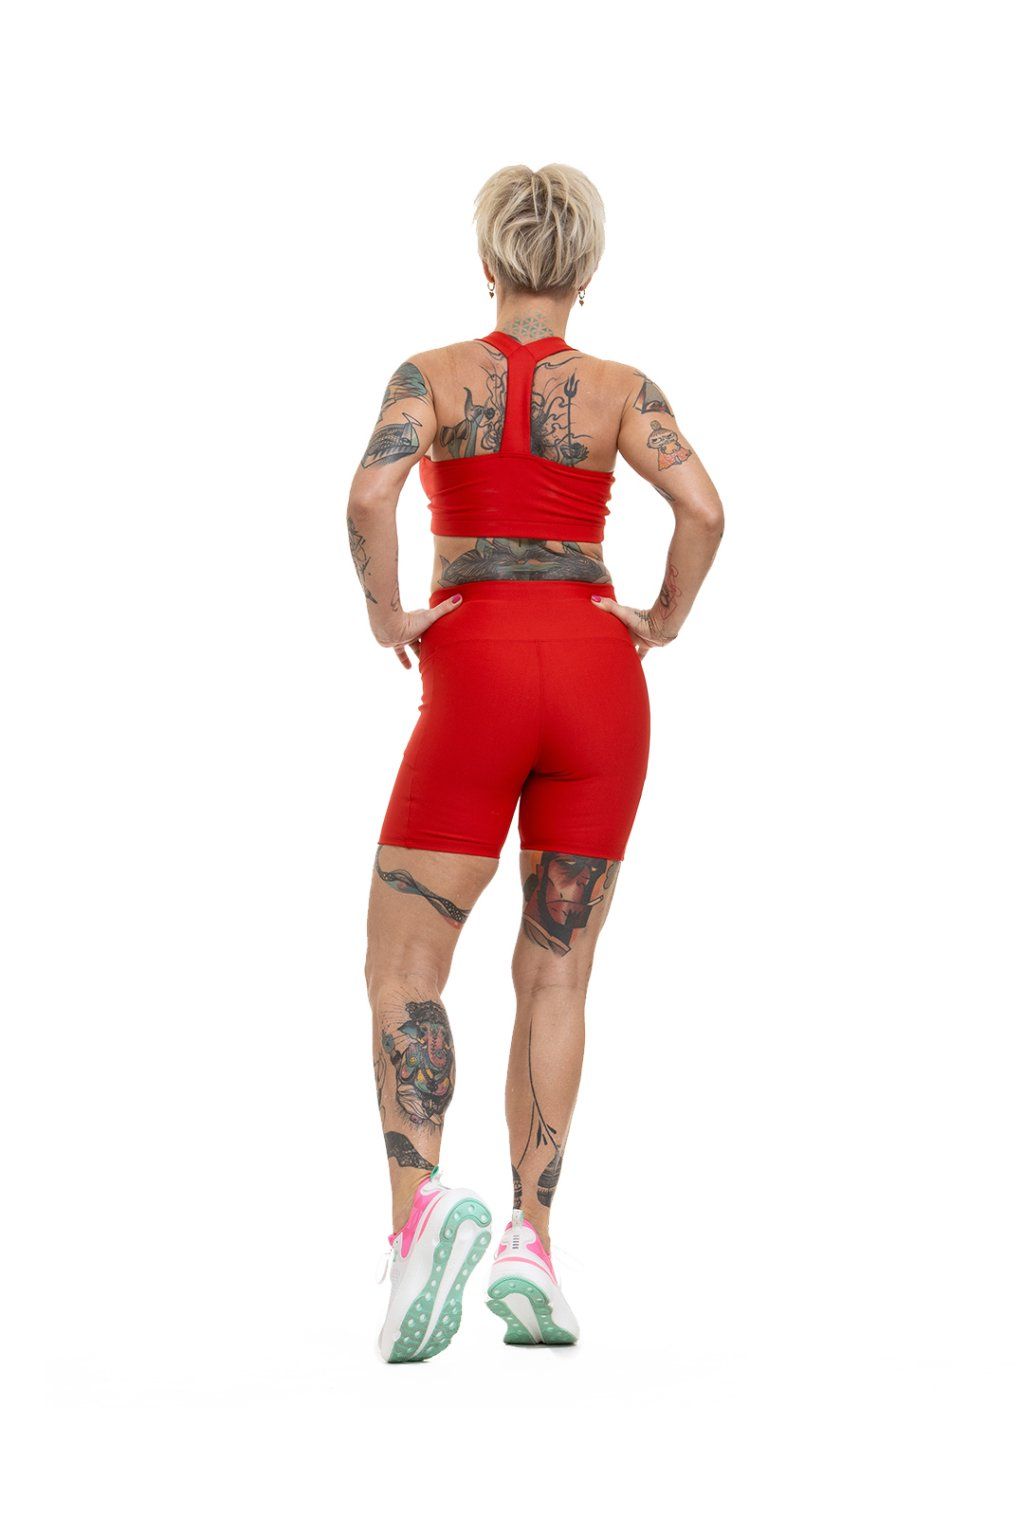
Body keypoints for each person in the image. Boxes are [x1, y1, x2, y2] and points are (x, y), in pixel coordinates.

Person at [346, 164, 724, 1362]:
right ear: (585, 272)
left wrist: (387, 611)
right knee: (557, 976)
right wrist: (660, 621)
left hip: (478, 665)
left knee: (405, 966)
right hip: (600, 678)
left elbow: (370, 494)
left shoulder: (431, 375)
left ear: (488, 264)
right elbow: (705, 510)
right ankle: (532, 1243)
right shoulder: (620, 390)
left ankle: (421, 1219)